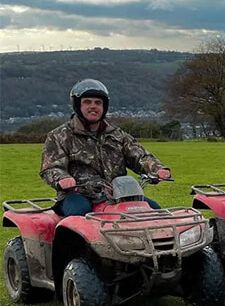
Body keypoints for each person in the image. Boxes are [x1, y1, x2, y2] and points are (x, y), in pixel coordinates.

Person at [40, 79, 171, 217]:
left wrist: (157, 169)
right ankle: (66, 239)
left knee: (156, 211)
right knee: (79, 214)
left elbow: (139, 156)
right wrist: (62, 178)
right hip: (78, 194)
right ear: (77, 105)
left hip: (118, 194)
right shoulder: (60, 136)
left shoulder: (116, 135)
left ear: (104, 107)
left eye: (98, 103)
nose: (93, 106)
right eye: (87, 102)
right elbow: (51, 167)